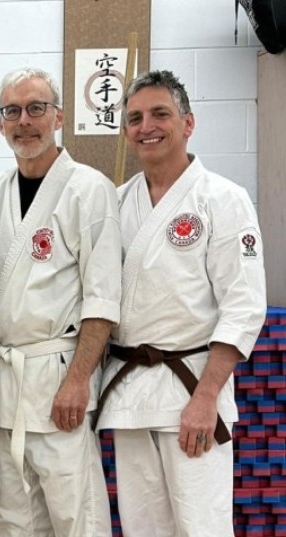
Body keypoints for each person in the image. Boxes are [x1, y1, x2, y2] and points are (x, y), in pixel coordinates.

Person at [98, 70, 266, 537]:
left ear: (188, 123)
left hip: (191, 388)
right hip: (131, 392)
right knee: (143, 527)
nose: (146, 125)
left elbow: (245, 305)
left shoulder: (224, 199)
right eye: (134, 118)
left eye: (160, 114)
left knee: (202, 526)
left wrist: (206, 396)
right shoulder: (116, 202)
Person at [0, 68, 118, 537]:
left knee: (76, 516)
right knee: (13, 518)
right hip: (4, 384)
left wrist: (78, 381)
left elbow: (102, 300)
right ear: (0, 122)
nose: (24, 121)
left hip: (57, 380)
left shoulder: (89, 189)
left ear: (59, 116)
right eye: (12, 111)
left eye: (35, 108)